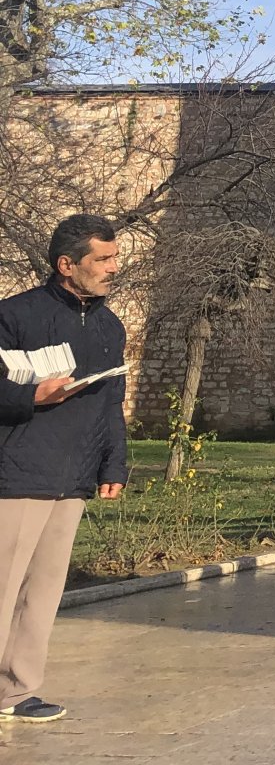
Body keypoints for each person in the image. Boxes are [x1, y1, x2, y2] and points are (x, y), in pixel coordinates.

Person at [0, 215, 125, 723]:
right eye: (104, 259)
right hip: (18, 472)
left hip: (72, 479)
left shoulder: (109, 325)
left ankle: (17, 691)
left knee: (43, 591)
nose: (114, 268)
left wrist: (112, 462)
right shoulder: (14, 315)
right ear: (67, 264)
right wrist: (31, 395)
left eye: (116, 258)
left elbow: (111, 401)